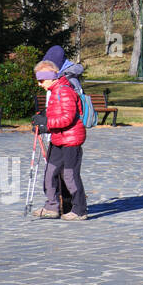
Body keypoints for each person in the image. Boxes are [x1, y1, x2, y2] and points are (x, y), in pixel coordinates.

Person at [32, 58, 88, 221]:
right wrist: (42, 118)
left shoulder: (64, 90)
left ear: (50, 77)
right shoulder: (55, 91)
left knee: (70, 175)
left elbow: (68, 118)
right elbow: (56, 114)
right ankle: (52, 206)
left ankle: (80, 210)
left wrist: (47, 124)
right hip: (58, 139)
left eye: (41, 80)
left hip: (71, 140)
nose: (40, 84)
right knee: (50, 172)